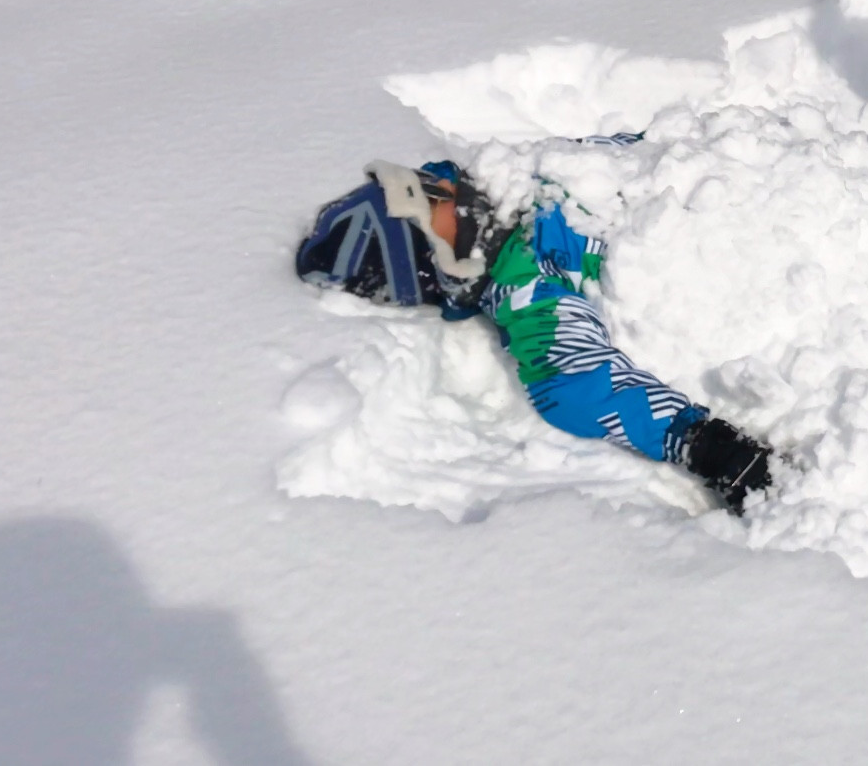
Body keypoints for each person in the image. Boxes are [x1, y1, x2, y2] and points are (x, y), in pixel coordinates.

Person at [293, 156, 774, 513]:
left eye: (436, 192)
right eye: (435, 220)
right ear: (434, 266)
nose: (454, 207)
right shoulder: (523, 288)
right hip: (761, 274)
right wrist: (711, 448)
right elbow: (580, 385)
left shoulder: (544, 169)